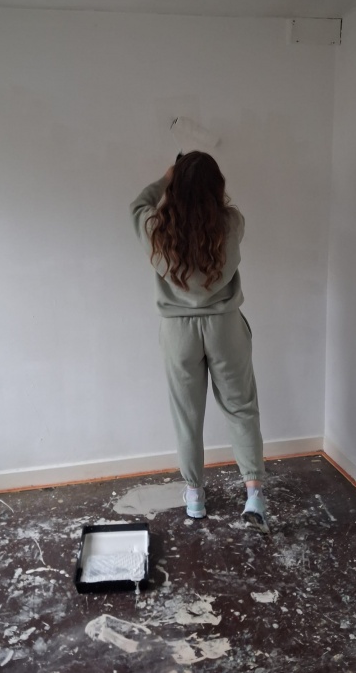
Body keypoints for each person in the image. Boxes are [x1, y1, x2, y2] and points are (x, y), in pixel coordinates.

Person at [130, 151, 267, 530]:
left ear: (175, 188)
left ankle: (194, 497)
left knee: (187, 417)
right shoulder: (232, 223)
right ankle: (254, 496)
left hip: (179, 333)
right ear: (216, 187)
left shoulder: (155, 228)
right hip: (224, 327)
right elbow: (222, 216)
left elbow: (137, 204)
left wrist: (166, 178)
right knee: (241, 408)